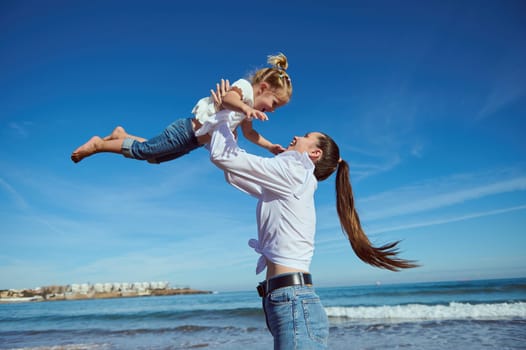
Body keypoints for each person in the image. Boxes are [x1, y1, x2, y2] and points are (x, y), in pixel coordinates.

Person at [208, 103, 418, 348]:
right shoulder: (294, 178)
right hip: (285, 301)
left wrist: (224, 113)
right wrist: (232, 124)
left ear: (314, 154)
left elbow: (223, 157)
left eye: (306, 137)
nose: (296, 137)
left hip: (292, 302)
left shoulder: (295, 172)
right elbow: (233, 172)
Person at [70, 53, 292, 164]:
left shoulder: (248, 108)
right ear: (263, 88)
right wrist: (245, 108)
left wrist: (270, 146)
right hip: (185, 131)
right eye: (274, 104)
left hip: (192, 142)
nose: (272, 110)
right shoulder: (244, 90)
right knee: (145, 150)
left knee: (154, 158)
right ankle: (99, 144)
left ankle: (121, 135)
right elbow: (227, 99)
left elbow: (249, 133)